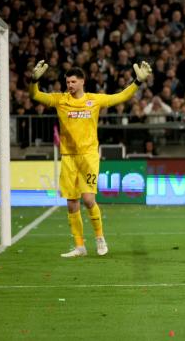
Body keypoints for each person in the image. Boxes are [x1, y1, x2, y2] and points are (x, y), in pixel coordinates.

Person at [29, 59, 152, 257]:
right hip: (68, 156)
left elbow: (119, 97)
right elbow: (34, 95)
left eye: (73, 82)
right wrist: (33, 80)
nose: (69, 85)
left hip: (88, 156)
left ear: (82, 82)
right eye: (67, 82)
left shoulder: (94, 100)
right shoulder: (60, 100)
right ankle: (80, 246)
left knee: (88, 199)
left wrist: (137, 82)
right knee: (71, 202)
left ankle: (100, 238)